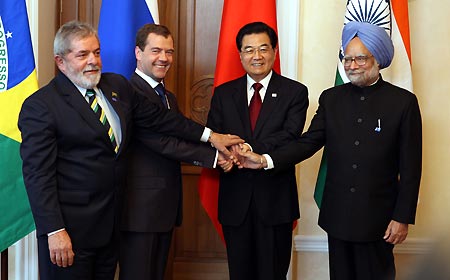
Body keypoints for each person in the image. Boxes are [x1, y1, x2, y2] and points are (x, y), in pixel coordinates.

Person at [18, 21, 242, 280]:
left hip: (112, 228)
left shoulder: (117, 86)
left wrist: (212, 136)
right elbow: (38, 175)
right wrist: (54, 230)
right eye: (82, 55)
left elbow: (162, 120)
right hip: (70, 234)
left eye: (97, 52)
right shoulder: (41, 106)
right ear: (60, 61)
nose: (93, 61)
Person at [237, 21, 422, 280]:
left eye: (360, 59)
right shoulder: (331, 98)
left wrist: (402, 217)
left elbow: (411, 167)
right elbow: (308, 142)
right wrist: (266, 160)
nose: (351, 65)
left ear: (378, 59)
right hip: (338, 215)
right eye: (347, 58)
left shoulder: (403, 103)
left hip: (380, 219)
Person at [207, 21, 309, 280]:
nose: (257, 56)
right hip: (235, 202)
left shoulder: (294, 92)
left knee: (272, 273)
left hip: (275, 203)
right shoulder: (223, 94)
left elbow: (289, 136)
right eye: (249, 49)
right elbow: (213, 135)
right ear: (240, 54)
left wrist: (249, 149)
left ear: (274, 51)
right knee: (239, 274)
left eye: (263, 48)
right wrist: (224, 157)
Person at [119, 23, 220, 280]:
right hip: (139, 211)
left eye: (169, 51)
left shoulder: (168, 97)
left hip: (163, 209)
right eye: (156, 51)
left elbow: (177, 134)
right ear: (138, 53)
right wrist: (217, 156)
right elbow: (162, 142)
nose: (164, 58)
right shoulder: (129, 94)